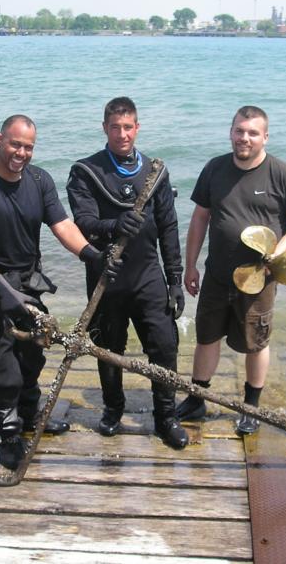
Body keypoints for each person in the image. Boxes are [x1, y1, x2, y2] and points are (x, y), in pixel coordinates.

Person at [0, 114, 116, 470]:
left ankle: (30, 414)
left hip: (26, 281)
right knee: (2, 363)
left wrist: (91, 255)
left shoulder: (39, 181)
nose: (20, 153)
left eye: (28, 147)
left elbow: (62, 224)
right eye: (14, 144)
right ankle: (8, 434)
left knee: (33, 354)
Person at [177, 106, 286, 435]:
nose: (244, 138)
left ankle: (251, 407)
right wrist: (190, 265)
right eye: (239, 131)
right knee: (206, 337)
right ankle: (197, 398)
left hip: (260, 278)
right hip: (217, 274)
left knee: (256, 342)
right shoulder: (215, 168)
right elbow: (200, 218)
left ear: (265, 136)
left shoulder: (284, 174)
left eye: (252, 133)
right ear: (231, 132)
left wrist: (279, 251)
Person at [66, 96, 188, 449]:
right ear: (105, 128)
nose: (122, 134)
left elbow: (168, 227)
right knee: (109, 347)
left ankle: (166, 417)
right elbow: (83, 222)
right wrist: (112, 224)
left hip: (149, 275)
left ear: (138, 128)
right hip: (108, 276)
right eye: (115, 127)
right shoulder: (85, 172)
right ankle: (113, 409)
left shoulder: (156, 171)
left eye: (128, 127)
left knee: (164, 347)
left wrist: (175, 280)